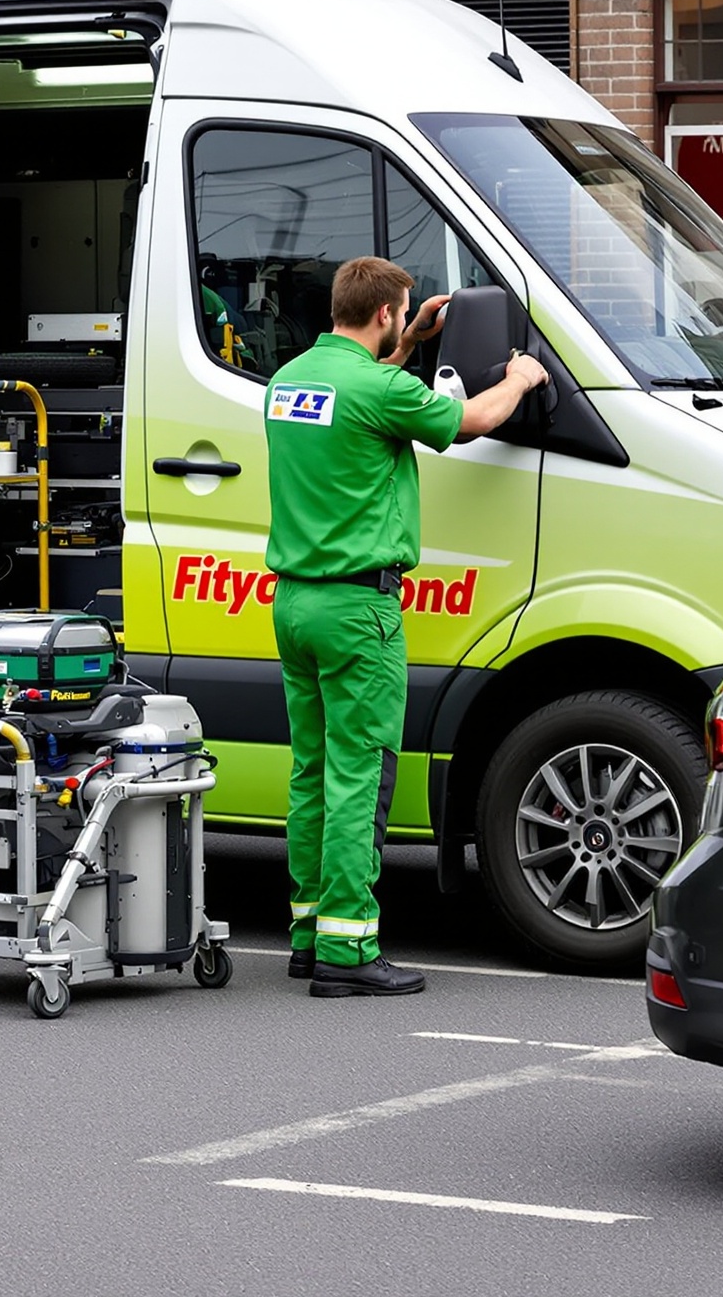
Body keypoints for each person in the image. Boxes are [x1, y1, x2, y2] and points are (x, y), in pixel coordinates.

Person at [264, 255, 548, 997]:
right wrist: (520, 376)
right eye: (405, 311)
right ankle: (350, 952)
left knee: (311, 772)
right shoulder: (382, 389)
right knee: (361, 775)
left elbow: (360, 391)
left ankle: (309, 933)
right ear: (386, 310)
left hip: (293, 603)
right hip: (360, 610)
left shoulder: (290, 382)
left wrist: (408, 344)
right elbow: (477, 420)